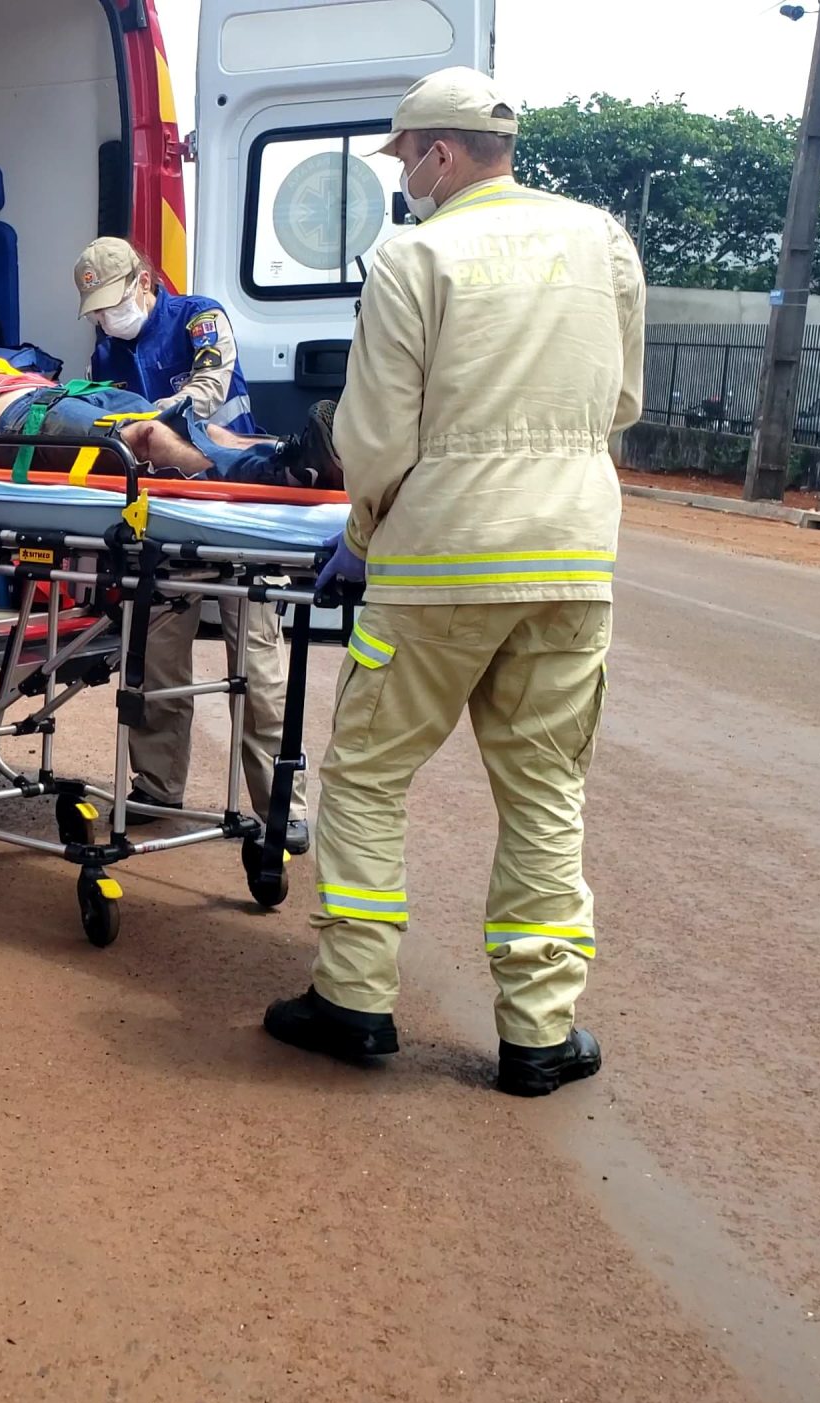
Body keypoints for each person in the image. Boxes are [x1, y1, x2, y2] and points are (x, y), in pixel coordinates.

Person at [260, 67, 644, 1098]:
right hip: (571, 557)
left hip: (441, 560)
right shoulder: (601, 238)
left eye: (404, 159)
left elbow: (375, 433)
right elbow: (622, 398)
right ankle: (538, 1032)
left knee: (370, 779)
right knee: (545, 790)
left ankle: (352, 1001)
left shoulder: (414, 256)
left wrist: (363, 533)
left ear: (435, 153)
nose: (405, 180)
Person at [73, 237, 329, 846]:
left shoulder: (198, 317)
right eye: (98, 309)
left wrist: (168, 414)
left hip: (232, 504)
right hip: (163, 514)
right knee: (156, 659)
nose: (109, 317)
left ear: (143, 281)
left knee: (259, 668)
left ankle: (280, 807)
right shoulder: (105, 351)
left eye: (115, 302)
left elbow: (213, 383)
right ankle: (157, 788)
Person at [0, 365, 321, 486]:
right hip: (23, 423)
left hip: (59, 396)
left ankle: (295, 453)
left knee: (198, 427)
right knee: (146, 439)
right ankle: (277, 475)